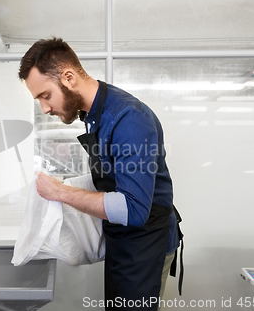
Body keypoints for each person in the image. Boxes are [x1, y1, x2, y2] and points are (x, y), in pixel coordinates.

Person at [18, 38, 183, 310]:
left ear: (68, 77)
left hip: (146, 245)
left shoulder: (129, 118)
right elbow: (114, 177)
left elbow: (132, 209)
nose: (45, 109)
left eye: (45, 96)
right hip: (123, 241)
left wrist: (61, 192)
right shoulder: (93, 114)